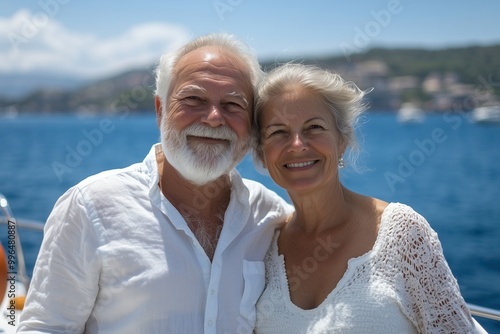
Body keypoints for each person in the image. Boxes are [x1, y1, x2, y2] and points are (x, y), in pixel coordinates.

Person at [17, 33, 292, 334]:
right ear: (161, 110)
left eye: (232, 104)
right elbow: (45, 327)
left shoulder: (271, 215)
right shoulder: (90, 206)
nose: (214, 118)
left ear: (251, 123)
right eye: (194, 99)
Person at [252, 63, 487, 333]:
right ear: (261, 153)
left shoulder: (401, 233)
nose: (297, 144)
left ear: (342, 140)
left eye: (314, 127)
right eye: (278, 132)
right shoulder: (265, 246)